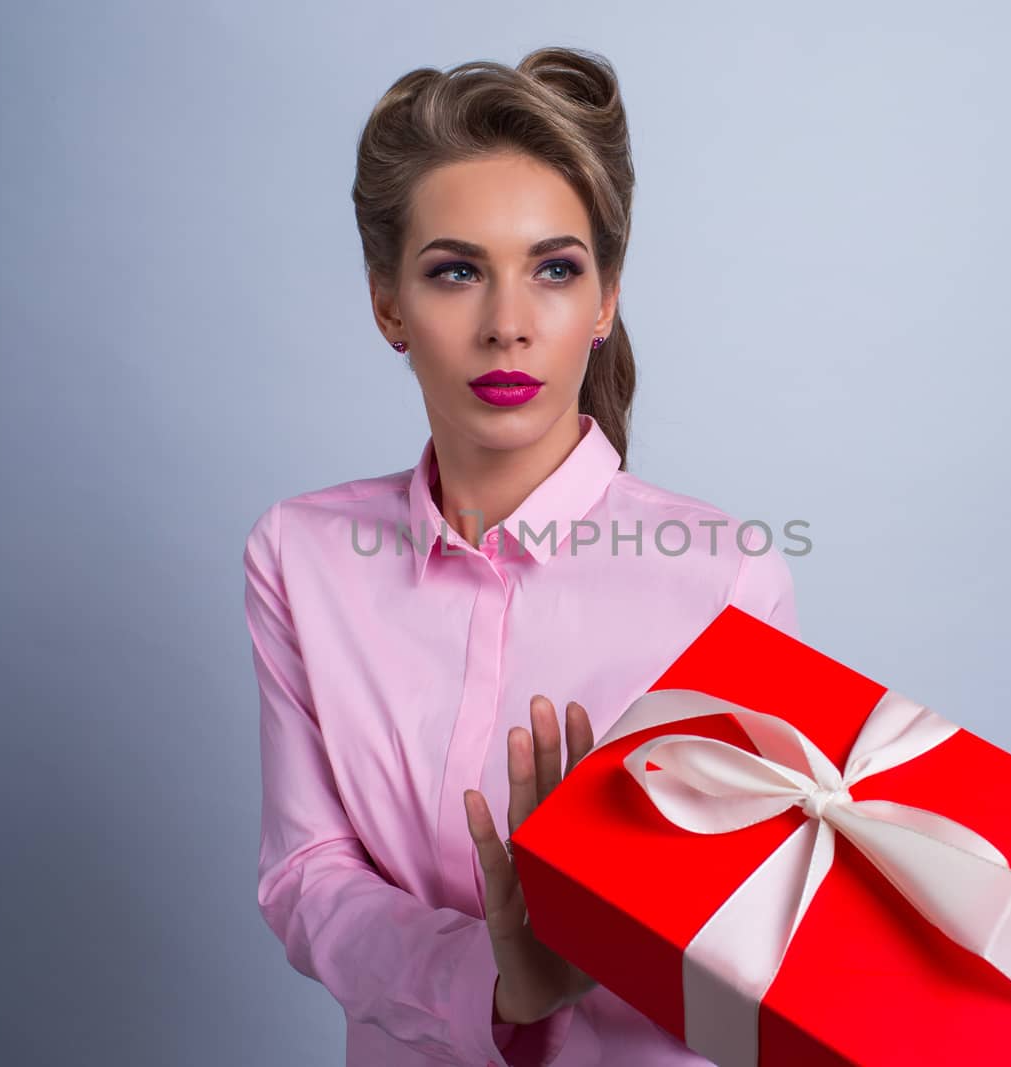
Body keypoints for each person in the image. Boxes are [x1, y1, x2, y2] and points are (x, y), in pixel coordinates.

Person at [243, 46, 799, 1067]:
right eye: (456, 270)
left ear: (603, 303)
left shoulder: (726, 578)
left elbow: (760, 933)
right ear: (388, 305)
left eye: (554, 268)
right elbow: (306, 872)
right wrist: (500, 977)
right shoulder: (301, 556)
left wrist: (605, 917)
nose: (507, 324)